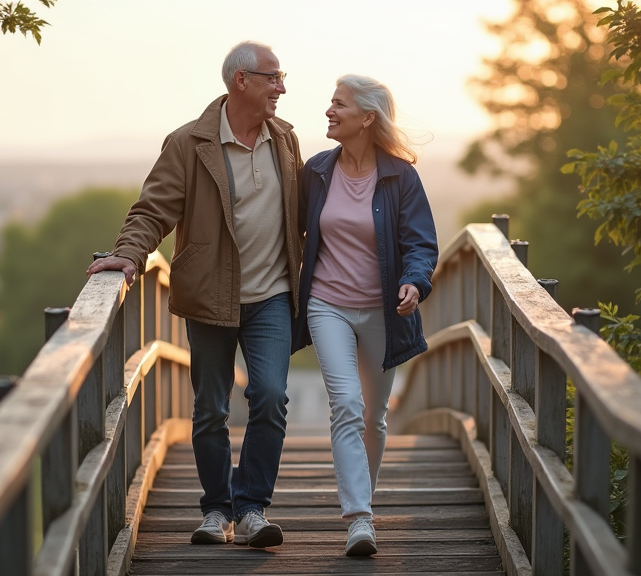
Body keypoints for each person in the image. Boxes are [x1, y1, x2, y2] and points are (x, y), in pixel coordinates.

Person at [86, 41, 303, 548]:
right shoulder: (189, 143)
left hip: (271, 294)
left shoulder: (286, 139)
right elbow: (153, 209)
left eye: (281, 77)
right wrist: (129, 254)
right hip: (211, 294)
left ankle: (251, 507)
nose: (282, 87)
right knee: (211, 407)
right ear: (240, 82)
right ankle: (215, 510)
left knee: (270, 395)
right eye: (273, 78)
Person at [291, 74, 438, 556]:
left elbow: (420, 243)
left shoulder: (400, 176)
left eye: (340, 105)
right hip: (327, 303)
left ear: (367, 118)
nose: (329, 112)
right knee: (347, 405)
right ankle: (359, 519)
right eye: (331, 104)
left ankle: (362, 502)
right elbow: (286, 234)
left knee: (374, 416)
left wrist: (415, 283)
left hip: (383, 311)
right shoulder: (316, 171)